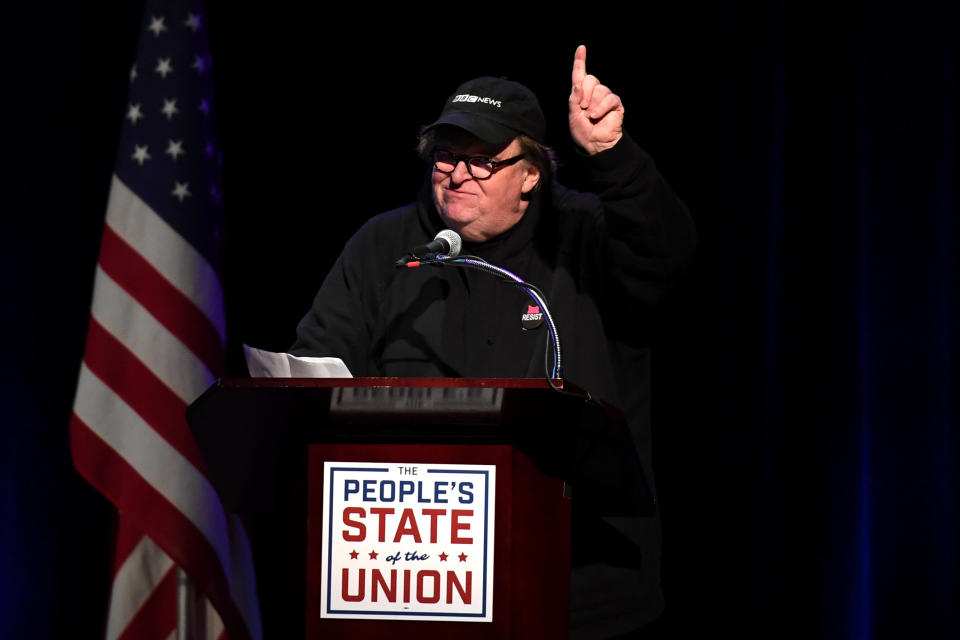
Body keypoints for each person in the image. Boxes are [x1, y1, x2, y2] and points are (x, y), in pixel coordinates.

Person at [291, 45, 696, 639]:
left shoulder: (586, 237)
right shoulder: (385, 248)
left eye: (482, 162)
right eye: (447, 156)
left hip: (576, 590)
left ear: (532, 173)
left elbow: (669, 256)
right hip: (413, 587)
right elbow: (315, 374)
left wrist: (614, 158)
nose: (457, 174)